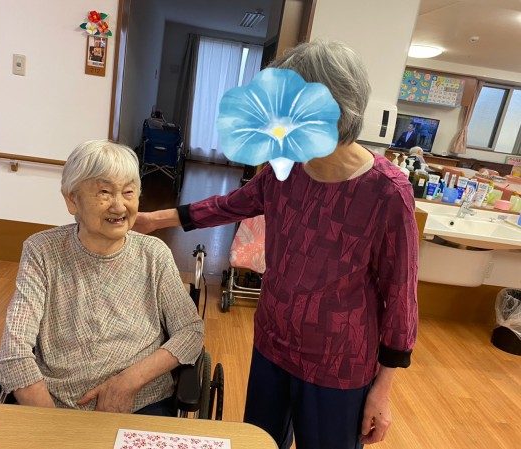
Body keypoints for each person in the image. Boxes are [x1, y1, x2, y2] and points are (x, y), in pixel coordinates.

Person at [134, 40, 418, 449]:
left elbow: (401, 297)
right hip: (273, 343)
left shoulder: (387, 192)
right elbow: (231, 205)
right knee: (261, 443)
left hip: (338, 363)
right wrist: (154, 219)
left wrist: (383, 389)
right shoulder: (287, 169)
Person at [0, 140, 204, 416]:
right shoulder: (42, 251)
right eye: (104, 192)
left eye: (128, 192)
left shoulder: (154, 254)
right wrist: (52, 426)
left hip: (142, 402)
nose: (119, 206)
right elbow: (13, 351)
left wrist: (127, 383)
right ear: (72, 200)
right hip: (53, 405)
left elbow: (190, 332)